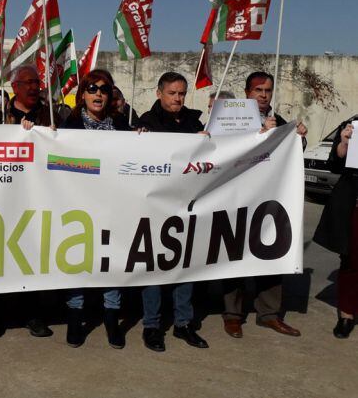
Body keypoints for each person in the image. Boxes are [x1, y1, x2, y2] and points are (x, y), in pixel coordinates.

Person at [220, 72, 306, 339]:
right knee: (233, 256)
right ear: (247, 92)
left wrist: (297, 138)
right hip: (235, 198)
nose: (263, 94)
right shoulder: (230, 119)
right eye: (258, 89)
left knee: (269, 254)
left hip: (268, 201)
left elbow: (291, 158)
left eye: (268, 90)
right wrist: (258, 136)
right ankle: (233, 315)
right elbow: (221, 149)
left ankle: (268, 313)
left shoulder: (279, 123)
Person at [137, 71, 208, 352]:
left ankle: (183, 324)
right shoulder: (146, 123)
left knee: (184, 266)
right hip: (155, 205)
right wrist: (137, 139)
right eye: (172, 93)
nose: (178, 98)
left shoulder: (194, 121)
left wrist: (206, 139)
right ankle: (152, 326)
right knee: (154, 268)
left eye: (181, 93)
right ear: (159, 93)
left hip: (188, 204)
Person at [59, 70, 129, 349]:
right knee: (78, 261)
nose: (98, 93)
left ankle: (112, 319)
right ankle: (75, 319)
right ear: (82, 95)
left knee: (110, 262)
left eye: (104, 89)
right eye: (91, 88)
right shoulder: (69, 125)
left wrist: (144, 139)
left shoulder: (123, 125)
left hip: (114, 206)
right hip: (79, 205)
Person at [0, 64, 56, 338]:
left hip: (38, 198)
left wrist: (53, 134)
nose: (33, 87)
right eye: (27, 82)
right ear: (14, 87)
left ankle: (33, 315)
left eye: (36, 82)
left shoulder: (50, 114)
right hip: (1, 197)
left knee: (31, 256)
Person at [314, 121, 358, 338]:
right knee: (351, 260)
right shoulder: (351, 127)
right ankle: (347, 314)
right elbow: (335, 165)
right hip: (354, 204)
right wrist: (344, 143)